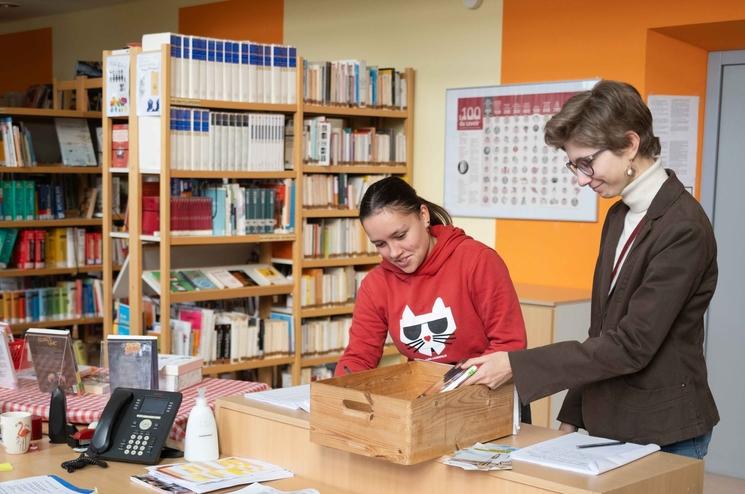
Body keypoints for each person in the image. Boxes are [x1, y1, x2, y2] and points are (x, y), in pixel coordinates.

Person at [462, 80, 719, 459]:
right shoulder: (619, 214)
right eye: (573, 165)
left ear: (630, 145)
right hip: (609, 417)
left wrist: (515, 365)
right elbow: (601, 333)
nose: (580, 179)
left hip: (664, 425)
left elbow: (631, 344)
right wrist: (574, 411)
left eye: (587, 163)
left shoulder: (683, 227)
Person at [336, 176, 527, 379]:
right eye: (380, 244)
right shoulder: (376, 285)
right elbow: (358, 359)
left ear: (424, 215)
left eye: (400, 236)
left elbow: (509, 346)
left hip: (488, 392)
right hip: (426, 395)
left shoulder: (478, 261)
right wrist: (337, 392)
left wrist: (456, 389)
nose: (393, 252)